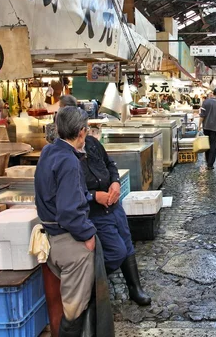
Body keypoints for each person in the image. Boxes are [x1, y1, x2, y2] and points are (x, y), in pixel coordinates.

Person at [59, 97, 151, 306]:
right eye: (86, 128)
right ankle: (90, 288)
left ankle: (135, 289)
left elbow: (110, 164)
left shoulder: (91, 143)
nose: (88, 132)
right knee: (115, 251)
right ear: (79, 130)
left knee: (127, 242)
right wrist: (94, 196)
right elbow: (70, 193)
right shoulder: (66, 157)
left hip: (113, 206)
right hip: (95, 213)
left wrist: (116, 183)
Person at [34, 106, 96, 336]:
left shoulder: (48, 152)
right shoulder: (69, 162)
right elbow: (69, 211)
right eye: (87, 131)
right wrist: (87, 235)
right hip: (69, 241)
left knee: (67, 302)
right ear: (81, 132)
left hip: (51, 237)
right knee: (74, 307)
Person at [198, 88, 216, 170]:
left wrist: (199, 125)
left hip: (206, 127)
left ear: (213, 93)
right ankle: (210, 164)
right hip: (215, 128)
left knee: (206, 144)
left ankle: (207, 161)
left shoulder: (206, 102)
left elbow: (202, 115)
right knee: (213, 145)